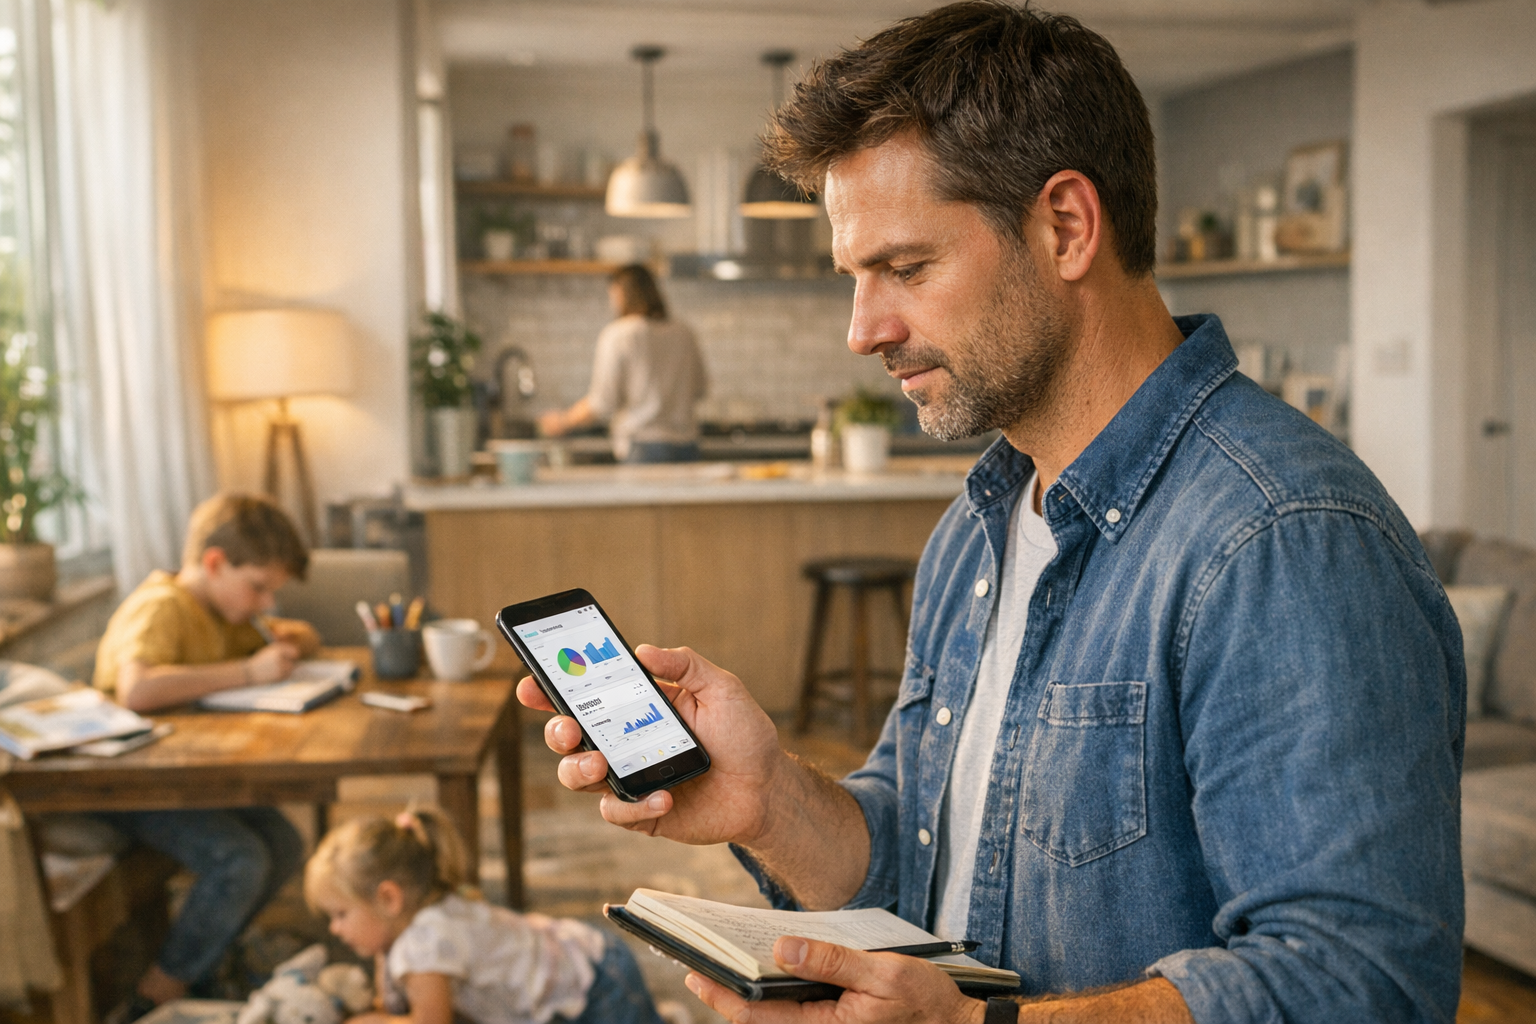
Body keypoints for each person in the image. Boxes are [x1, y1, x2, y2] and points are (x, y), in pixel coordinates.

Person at [520, 3, 1465, 1023]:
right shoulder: (980, 522)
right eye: (855, 277)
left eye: (906, 268)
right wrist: (769, 801)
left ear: (1065, 226)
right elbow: (923, 867)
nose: (862, 330)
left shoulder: (1281, 538)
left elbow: (1362, 984)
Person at [91, 493, 322, 1012]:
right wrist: (248, 672)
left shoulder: (221, 609)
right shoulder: (162, 607)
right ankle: (156, 995)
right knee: (238, 859)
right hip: (127, 782)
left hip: (185, 778)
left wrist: (290, 640)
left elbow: (296, 635)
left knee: (283, 841)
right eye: (259, 588)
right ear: (214, 563)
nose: (265, 603)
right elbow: (137, 689)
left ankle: (209, 963)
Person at [304, 805, 668, 1024]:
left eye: (340, 914)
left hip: (595, 987)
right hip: (580, 952)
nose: (335, 929)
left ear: (388, 898)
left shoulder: (422, 947)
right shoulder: (423, 912)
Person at [538, 264, 707, 463]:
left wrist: (563, 421)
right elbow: (700, 389)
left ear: (621, 293)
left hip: (643, 446)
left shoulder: (619, 334)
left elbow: (602, 401)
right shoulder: (684, 333)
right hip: (687, 446)